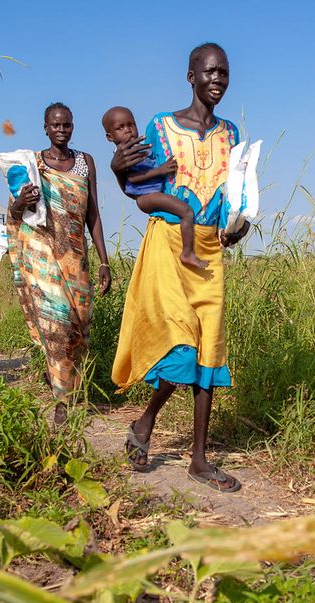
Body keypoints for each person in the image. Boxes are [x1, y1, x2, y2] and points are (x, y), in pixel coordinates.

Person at [110, 43, 251, 492]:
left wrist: (239, 224)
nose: (217, 80)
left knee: (208, 350)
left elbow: (238, 191)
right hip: (169, 246)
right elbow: (135, 180)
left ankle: (198, 459)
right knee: (184, 344)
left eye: (224, 73)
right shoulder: (160, 126)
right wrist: (116, 169)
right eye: (210, 72)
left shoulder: (230, 132)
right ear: (190, 77)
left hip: (210, 248)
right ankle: (147, 420)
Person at [7, 102, 112, 424]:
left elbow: (92, 213)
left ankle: (69, 386)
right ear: (45, 128)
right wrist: (20, 204)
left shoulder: (85, 162)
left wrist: (104, 261)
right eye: (55, 125)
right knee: (57, 325)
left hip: (75, 257)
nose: (61, 130)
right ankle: (62, 401)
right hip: (42, 255)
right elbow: (13, 214)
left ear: (73, 126)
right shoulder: (32, 164)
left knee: (78, 327)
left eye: (67, 125)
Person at [101, 106, 207, 270]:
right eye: (120, 128)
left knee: (184, 211)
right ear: (109, 136)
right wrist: (160, 170)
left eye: (131, 125)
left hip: (153, 192)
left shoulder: (140, 148)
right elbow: (131, 179)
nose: (128, 131)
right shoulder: (124, 156)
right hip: (146, 197)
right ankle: (187, 253)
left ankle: (183, 248)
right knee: (186, 211)